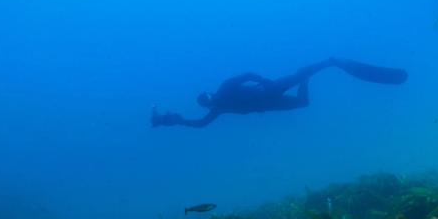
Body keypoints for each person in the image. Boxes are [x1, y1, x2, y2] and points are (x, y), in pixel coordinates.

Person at [151, 58, 407, 128]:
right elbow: (200, 125)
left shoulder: (225, 87)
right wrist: (174, 120)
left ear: (208, 94)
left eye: (207, 98)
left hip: (269, 89)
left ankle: (329, 62)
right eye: (207, 103)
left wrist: (265, 81)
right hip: (270, 104)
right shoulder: (218, 109)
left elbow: (249, 73)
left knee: (297, 77)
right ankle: (307, 75)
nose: (210, 102)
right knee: (304, 102)